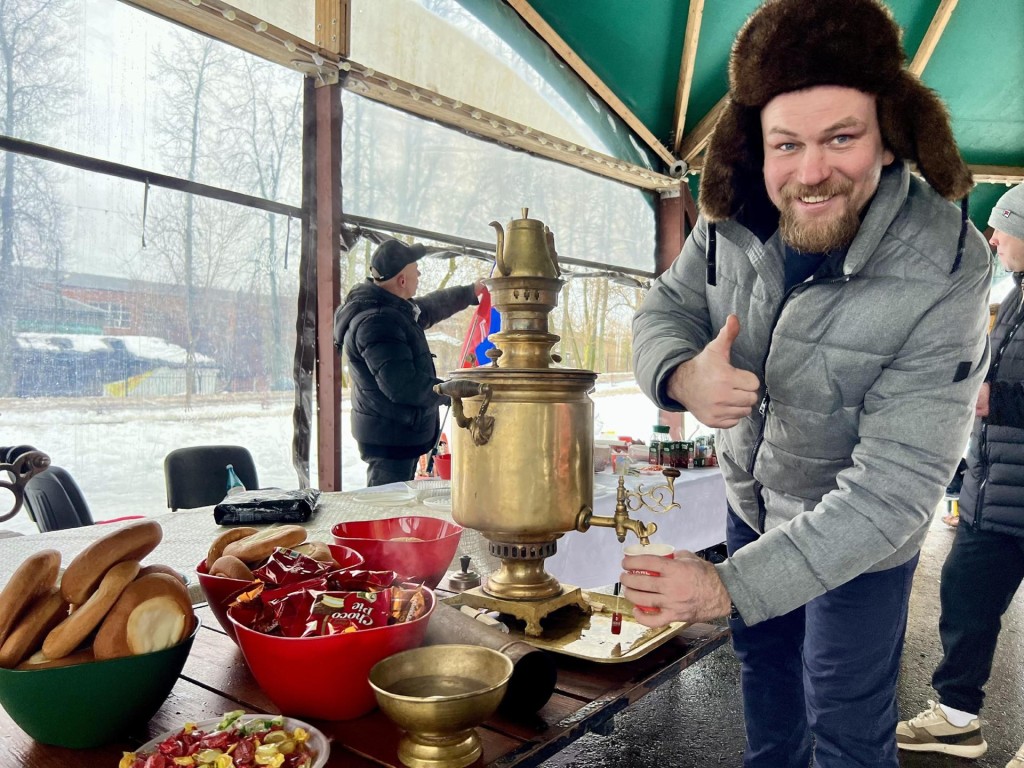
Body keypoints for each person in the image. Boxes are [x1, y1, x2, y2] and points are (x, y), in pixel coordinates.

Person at [624, 1, 992, 766]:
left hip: (860, 533)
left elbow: (894, 489)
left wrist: (728, 589)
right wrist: (681, 376)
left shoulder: (948, 265)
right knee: (764, 676)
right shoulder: (728, 216)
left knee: (845, 709)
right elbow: (666, 306)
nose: (811, 170)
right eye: (786, 144)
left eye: (841, 138)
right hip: (749, 500)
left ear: (890, 138)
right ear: (756, 146)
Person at [896, 183, 1024, 767]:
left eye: (1004, 227)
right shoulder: (1015, 295)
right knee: (965, 599)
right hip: (992, 496)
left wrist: (991, 398)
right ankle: (956, 719)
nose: (993, 238)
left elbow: (999, 394)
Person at [333, 239, 482, 487]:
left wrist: (470, 292)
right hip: (390, 441)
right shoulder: (378, 322)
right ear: (402, 280)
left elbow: (432, 306)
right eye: (416, 270)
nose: (420, 274)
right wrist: (452, 391)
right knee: (386, 510)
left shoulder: (392, 308)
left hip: (396, 434)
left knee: (394, 507)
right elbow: (403, 386)